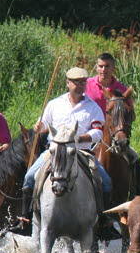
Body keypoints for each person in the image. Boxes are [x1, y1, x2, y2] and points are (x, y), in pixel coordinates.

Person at [14, 67, 114, 237]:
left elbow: (98, 131)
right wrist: (39, 127)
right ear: (68, 83)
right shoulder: (54, 104)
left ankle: (104, 222)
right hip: (54, 152)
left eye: (83, 82)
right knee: (29, 177)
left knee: (105, 182)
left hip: (81, 152)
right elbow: (43, 124)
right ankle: (26, 219)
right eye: (76, 82)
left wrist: (80, 139)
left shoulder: (93, 107)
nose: (80, 85)